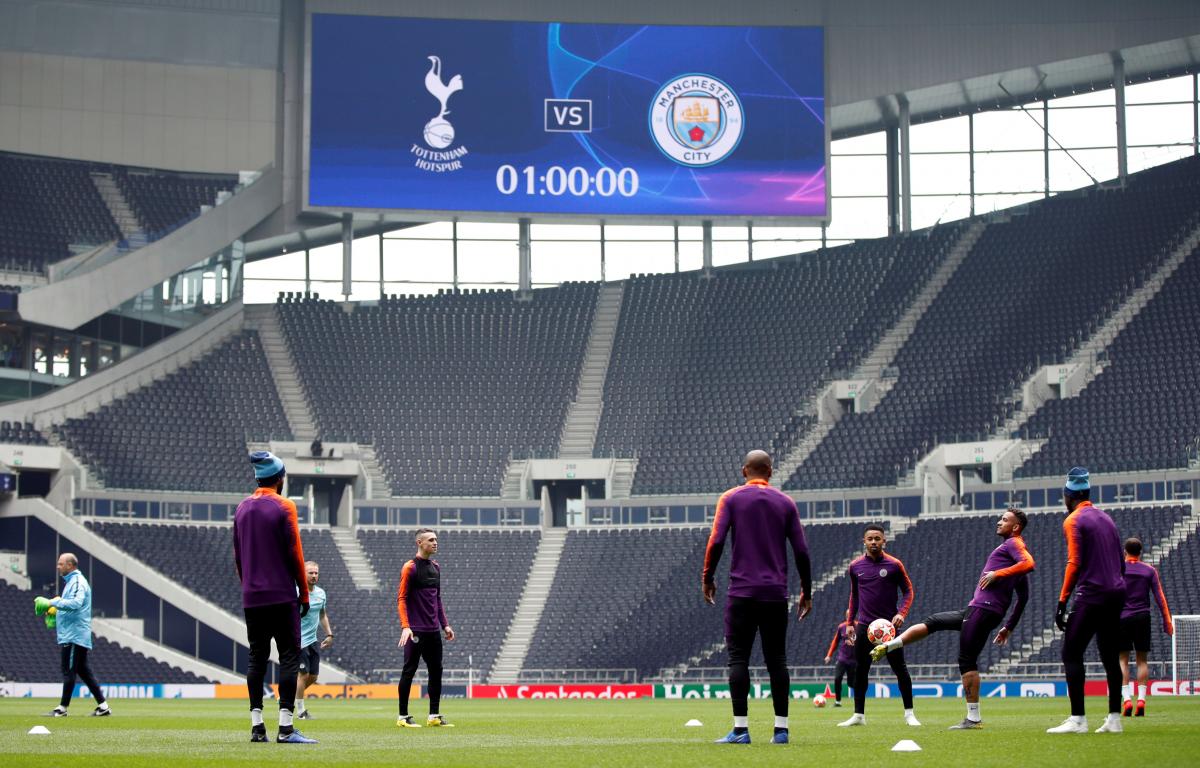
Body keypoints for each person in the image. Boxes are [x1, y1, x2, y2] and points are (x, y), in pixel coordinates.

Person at [871, 508, 1034, 729]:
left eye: (1004, 520)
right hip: (978, 610)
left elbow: (1029, 563)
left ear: (1015, 527)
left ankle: (973, 719)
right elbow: (1023, 597)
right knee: (934, 622)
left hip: (983, 609)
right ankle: (889, 645)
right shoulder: (1012, 558)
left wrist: (997, 574)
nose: (999, 522)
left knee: (966, 660)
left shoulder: (1013, 544)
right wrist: (1009, 626)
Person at [703, 450, 812, 745]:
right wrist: (807, 590)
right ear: (770, 472)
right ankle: (781, 730)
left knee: (738, 658)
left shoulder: (730, 498)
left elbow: (716, 541)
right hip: (775, 593)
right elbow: (802, 551)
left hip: (742, 592)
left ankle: (741, 730)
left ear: (744, 471)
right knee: (777, 659)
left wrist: (708, 577)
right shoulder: (786, 502)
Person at [233, 450, 315, 744]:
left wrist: (248, 588)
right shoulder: (285, 506)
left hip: (252, 597)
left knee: (256, 658)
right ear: (280, 478)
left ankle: (257, 727)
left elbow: (238, 557)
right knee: (289, 658)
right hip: (281, 595)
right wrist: (303, 593)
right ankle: (286, 728)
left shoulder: (241, 508)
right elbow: (295, 553)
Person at [1048, 467, 1127, 734]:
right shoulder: (1107, 519)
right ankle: (1114, 719)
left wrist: (1062, 601)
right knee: (1109, 655)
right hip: (1116, 591)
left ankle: (1078, 719)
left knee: (1071, 652)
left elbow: (1074, 563)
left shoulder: (1073, 520)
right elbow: (1120, 563)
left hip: (1092, 593)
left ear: (1068, 495)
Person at [838, 523, 918, 728]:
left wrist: (901, 613)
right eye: (870, 539)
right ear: (864, 542)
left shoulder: (894, 565)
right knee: (861, 670)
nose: (874, 542)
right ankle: (858, 715)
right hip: (865, 627)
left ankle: (909, 714)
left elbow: (908, 591)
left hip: (889, 628)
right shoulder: (855, 566)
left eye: (877, 538)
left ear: (884, 541)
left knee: (900, 669)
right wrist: (850, 622)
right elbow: (854, 596)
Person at [396, 528, 456, 728]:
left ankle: (434, 716)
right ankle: (402, 717)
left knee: (436, 671)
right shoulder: (410, 568)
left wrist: (445, 625)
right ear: (419, 543)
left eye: (436, 539)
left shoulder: (436, 567)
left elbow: (437, 599)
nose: (435, 542)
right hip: (415, 631)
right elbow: (401, 599)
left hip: (433, 631)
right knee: (409, 671)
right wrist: (406, 626)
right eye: (430, 540)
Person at [43, 553, 111, 717]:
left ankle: (62, 709)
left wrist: (53, 602)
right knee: (83, 671)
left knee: (68, 670)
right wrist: (56, 611)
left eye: (61, 564)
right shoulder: (72, 582)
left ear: (70, 565)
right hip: (74, 633)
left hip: (74, 635)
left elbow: (76, 603)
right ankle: (103, 707)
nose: (58, 566)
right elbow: (71, 605)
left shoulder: (78, 582)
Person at [1118, 537, 1173, 717]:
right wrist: (1167, 621)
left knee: (1122, 660)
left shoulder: (1118, 569)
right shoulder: (1149, 570)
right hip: (1143, 617)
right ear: (1140, 552)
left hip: (1122, 617)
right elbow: (1160, 597)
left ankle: (1127, 700)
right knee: (1142, 660)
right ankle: (1141, 700)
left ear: (1125, 552)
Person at [296, 561, 333, 720]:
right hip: (298, 640)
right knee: (303, 675)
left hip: (312, 640)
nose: (314, 576)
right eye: (310, 573)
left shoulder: (321, 593)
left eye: (316, 573)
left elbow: (322, 614)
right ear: (303, 573)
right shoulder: (296, 592)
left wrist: (329, 634)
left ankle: (286, 696)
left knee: (313, 677)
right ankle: (300, 712)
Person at [824, 610, 856, 708]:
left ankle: (858, 701)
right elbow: (835, 642)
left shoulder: (859, 626)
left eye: (851, 615)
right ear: (846, 616)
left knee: (851, 683)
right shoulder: (841, 627)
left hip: (854, 661)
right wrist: (829, 655)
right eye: (848, 615)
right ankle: (838, 701)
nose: (849, 617)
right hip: (842, 659)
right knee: (837, 678)